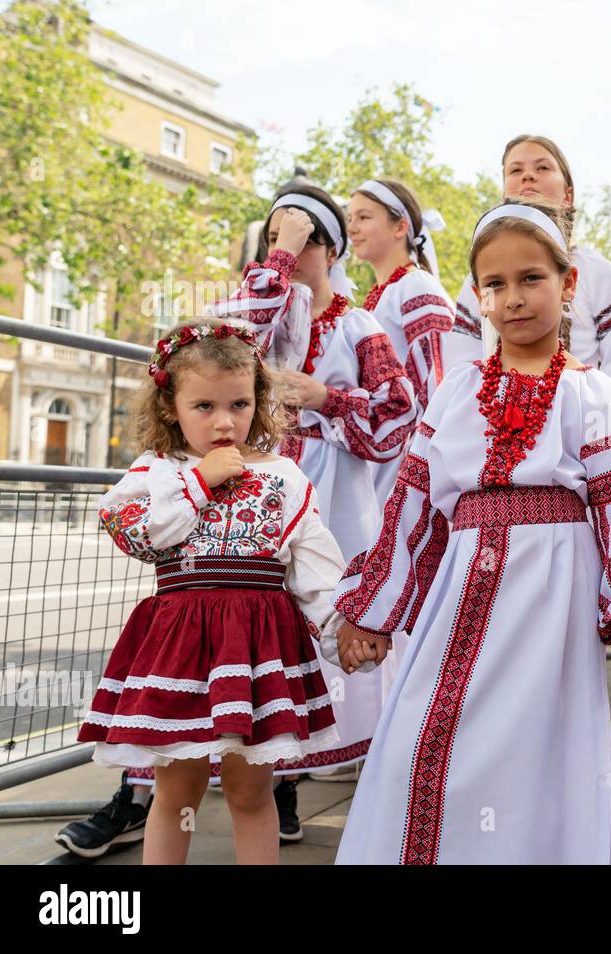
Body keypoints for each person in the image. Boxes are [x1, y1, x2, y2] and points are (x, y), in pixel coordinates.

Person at [330, 199, 611, 863]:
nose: (514, 298)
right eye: (496, 284)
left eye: (532, 278)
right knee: (424, 733)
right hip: (463, 589)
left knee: (538, 750)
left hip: (551, 596)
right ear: (476, 296)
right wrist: (375, 612)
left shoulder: (592, 394)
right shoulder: (455, 391)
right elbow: (414, 506)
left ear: (568, 286)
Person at [75, 321, 343, 864]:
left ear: (258, 401)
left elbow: (316, 565)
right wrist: (200, 482)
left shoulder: (284, 476)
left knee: (250, 790)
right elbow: (133, 533)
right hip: (181, 651)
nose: (225, 422)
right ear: (171, 406)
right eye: (204, 407)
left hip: (256, 650)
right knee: (177, 791)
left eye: (239, 404)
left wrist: (344, 630)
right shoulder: (157, 471)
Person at [210, 184, 415, 812]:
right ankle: (262, 775)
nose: (286, 252)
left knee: (312, 619)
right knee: (253, 622)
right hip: (255, 498)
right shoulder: (262, 325)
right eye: (275, 240)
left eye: (299, 240)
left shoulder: (359, 327)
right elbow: (225, 336)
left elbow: (396, 420)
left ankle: (292, 783)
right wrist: (278, 255)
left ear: (331, 250)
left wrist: (325, 399)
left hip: (332, 499)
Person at [450, 135, 611, 410]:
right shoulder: (481, 282)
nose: (528, 176)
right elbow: (462, 359)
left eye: (542, 168)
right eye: (515, 170)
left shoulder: (596, 271)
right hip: (494, 422)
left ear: (568, 195)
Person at [348, 178, 457, 506]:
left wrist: (420, 465)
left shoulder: (417, 286)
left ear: (400, 227)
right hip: (378, 457)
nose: (352, 227)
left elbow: (439, 382)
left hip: (406, 463)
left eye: (364, 217)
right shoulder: (378, 297)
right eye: (350, 218)